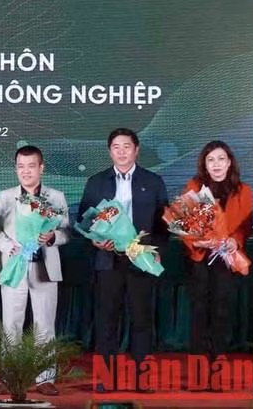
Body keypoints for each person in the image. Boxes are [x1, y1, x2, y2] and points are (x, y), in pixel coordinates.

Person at [78, 128, 168, 392]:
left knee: (142, 321)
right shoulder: (96, 181)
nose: (121, 151)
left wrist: (156, 249)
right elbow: (84, 217)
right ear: (110, 151)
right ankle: (107, 379)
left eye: (126, 146)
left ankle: (143, 379)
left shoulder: (153, 181)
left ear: (136, 149)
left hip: (141, 259)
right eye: (116, 147)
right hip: (108, 259)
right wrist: (93, 239)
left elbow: (164, 223)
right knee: (107, 321)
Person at [0, 145, 70, 396]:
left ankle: (45, 377)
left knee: (44, 323)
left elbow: (67, 231)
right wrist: (7, 246)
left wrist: (53, 236)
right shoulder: (5, 197)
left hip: (44, 267)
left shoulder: (56, 197)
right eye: (21, 166)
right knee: (11, 323)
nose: (26, 171)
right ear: (16, 169)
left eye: (31, 166)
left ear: (41, 168)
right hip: (14, 267)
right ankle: (9, 376)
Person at [181, 141, 252, 371]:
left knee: (222, 312)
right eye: (211, 160)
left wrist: (234, 240)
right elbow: (183, 224)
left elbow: (245, 226)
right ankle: (198, 370)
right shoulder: (193, 187)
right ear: (204, 164)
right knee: (200, 312)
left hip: (226, 259)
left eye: (221, 159)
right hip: (200, 258)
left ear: (229, 162)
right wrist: (197, 241)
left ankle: (218, 367)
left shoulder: (244, 190)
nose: (217, 164)